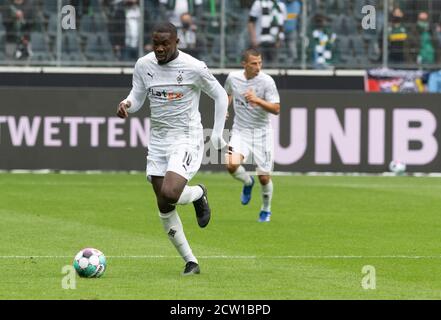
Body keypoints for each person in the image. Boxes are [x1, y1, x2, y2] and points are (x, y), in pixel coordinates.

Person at [116, 22, 228, 275]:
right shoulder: (143, 65)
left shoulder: (193, 67)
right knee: (164, 203)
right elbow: (138, 95)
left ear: (177, 42)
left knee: (170, 191)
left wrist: (218, 135)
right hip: (158, 141)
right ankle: (191, 261)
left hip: (186, 138)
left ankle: (198, 193)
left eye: (165, 43)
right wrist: (127, 104)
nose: (159, 48)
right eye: (156, 43)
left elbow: (220, 95)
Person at [224, 48, 280, 223]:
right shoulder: (233, 77)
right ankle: (248, 182)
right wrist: (225, 108)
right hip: (240, 131)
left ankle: (266, 209)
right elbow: (227, 93)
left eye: (260, 63)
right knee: (231, 165)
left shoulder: (267, 82)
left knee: (264, 177)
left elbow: (276, 109)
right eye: (254, 63)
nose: (258, 67)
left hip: (262, 134)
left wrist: (258, 100)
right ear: (244, 64)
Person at [248, 0, 286, 66]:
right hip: (260, 42)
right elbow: (251, 22)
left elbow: (282, 24)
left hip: (274, 42)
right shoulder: (258, 3)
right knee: (258, 67)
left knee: (274, 68)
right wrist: (253, 38)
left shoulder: (281, 5)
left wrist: (279, 39)